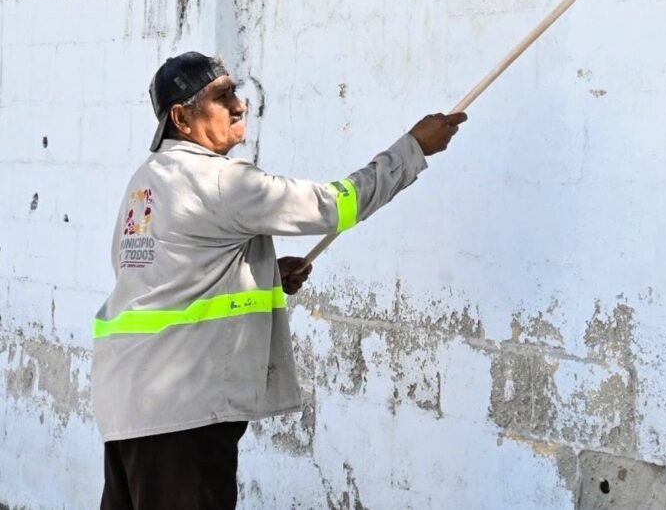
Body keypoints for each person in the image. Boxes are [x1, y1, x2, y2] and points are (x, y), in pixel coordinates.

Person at [92, 51, 466, 509]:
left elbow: (173, 272)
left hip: (129, 405)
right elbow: (333, 206)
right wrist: (413, 148)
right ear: (181, 118)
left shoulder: (147, 181)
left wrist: (263, 272)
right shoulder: (218, 180)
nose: (239, 105)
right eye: (221, 96)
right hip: (181, 414)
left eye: (235, 92)